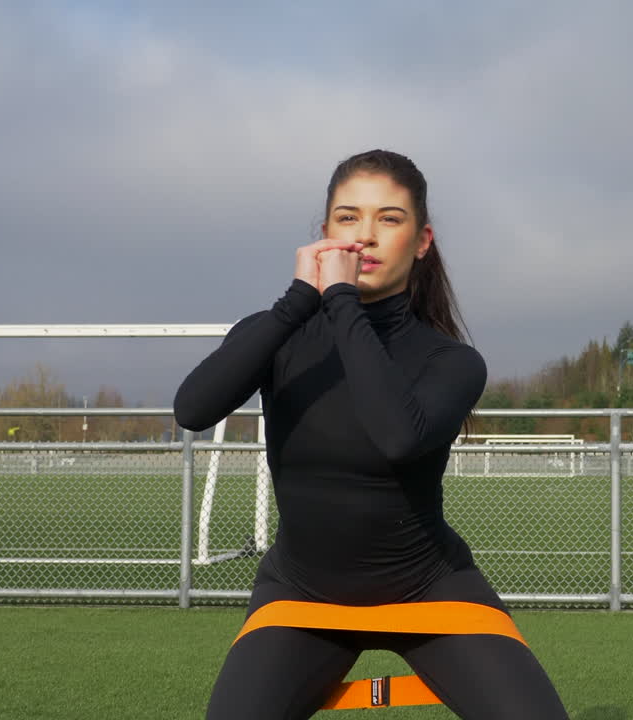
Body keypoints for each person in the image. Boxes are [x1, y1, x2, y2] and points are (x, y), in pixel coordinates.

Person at [175, 149, 568, 720]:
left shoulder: (450, 361)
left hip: (430, 588)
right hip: (301, 595)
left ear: (422, 239)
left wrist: (339, 301)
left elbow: (397, 438)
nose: (366, 236)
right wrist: (296, 304)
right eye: (347, 218)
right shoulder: (280, 334)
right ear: (325, 234)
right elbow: (193, 408)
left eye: (389, 218)